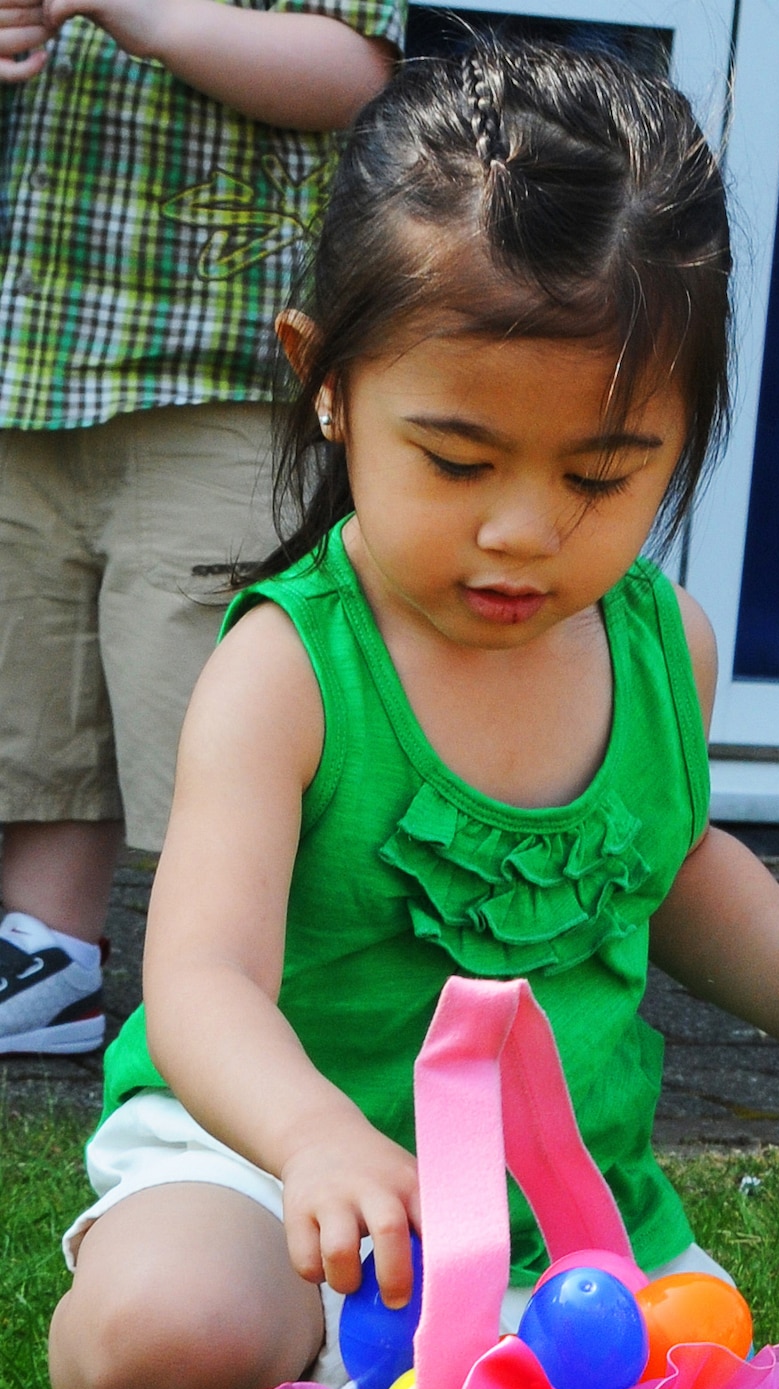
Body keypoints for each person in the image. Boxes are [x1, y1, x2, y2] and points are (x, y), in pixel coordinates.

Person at [33, 43, 779, 1389]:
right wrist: (311, 1142)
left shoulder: (658, 646)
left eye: (604, 473)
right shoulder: (287, 668)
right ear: (329, 378)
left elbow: (676, 860)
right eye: (458, 458)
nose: (523, 529)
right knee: (163, 1334)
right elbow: (204, 974)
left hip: (560, 1224)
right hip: (273, 1168)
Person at [0, 0, 402, 1056]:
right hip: (31, 363)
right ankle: (49, 955)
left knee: (204, 694)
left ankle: (249, 986)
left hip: (216, 377)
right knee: (43, 686)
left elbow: (353, 69)